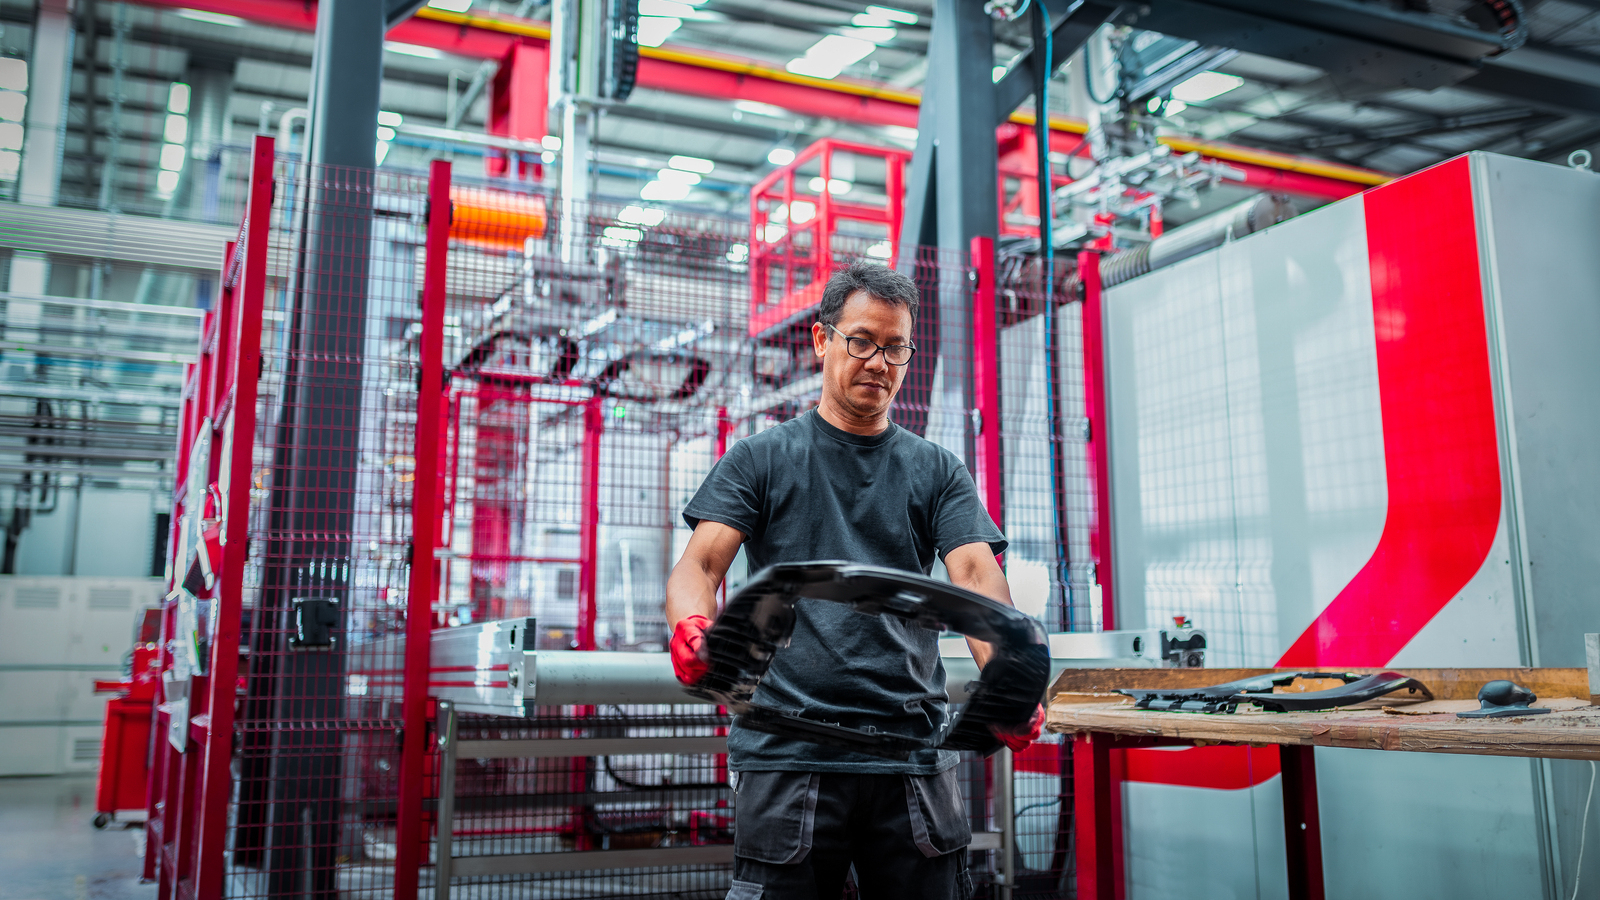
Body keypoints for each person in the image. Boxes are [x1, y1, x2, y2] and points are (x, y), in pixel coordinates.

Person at [664, 261, 1044, 900]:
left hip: (911, 755)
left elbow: (979, 576)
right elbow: (699, 565)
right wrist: (692, 626)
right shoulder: (761, 459)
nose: (879, 363)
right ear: (822, 340)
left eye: (896, 347)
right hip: (787, 755)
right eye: (862, 341)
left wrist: (1009, 676)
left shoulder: (936, 471)